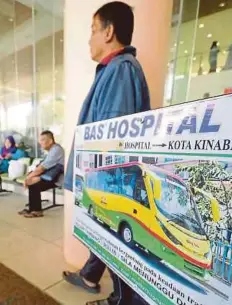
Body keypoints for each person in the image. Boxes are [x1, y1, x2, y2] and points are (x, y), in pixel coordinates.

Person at [63, 2, 150, 305]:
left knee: (117, 245)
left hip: (109, 184)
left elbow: (113, 142)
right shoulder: (114, 69)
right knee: (106, 239)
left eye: (92, 30)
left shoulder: (120, 70)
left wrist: (101, 190)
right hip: (105, 182)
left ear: (109, 31)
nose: (89, 38)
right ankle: (92, 277)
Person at [19, 131, 64, 218]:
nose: (40, 142)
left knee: (34, 185)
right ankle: (32, 209)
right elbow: (42, 166)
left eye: (43, 140)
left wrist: (28, 177)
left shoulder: (56, 150)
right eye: (40, 140)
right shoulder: (52, 150)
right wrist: (31, 176)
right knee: (32, 183)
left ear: (50, 141)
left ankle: (37, 211)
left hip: (56, 178)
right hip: (49, 176)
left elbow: (42, 168)